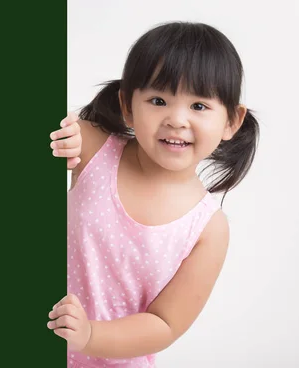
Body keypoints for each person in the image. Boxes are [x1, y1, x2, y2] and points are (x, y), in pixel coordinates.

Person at [47, 21, 260, 367]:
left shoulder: (208, 228)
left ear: (231, 122)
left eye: (199, 106)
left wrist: (90, 336)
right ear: (128, 105)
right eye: (158, 100)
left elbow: (165, 323)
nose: (176, 119)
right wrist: (62, 133)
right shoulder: (93, 147)